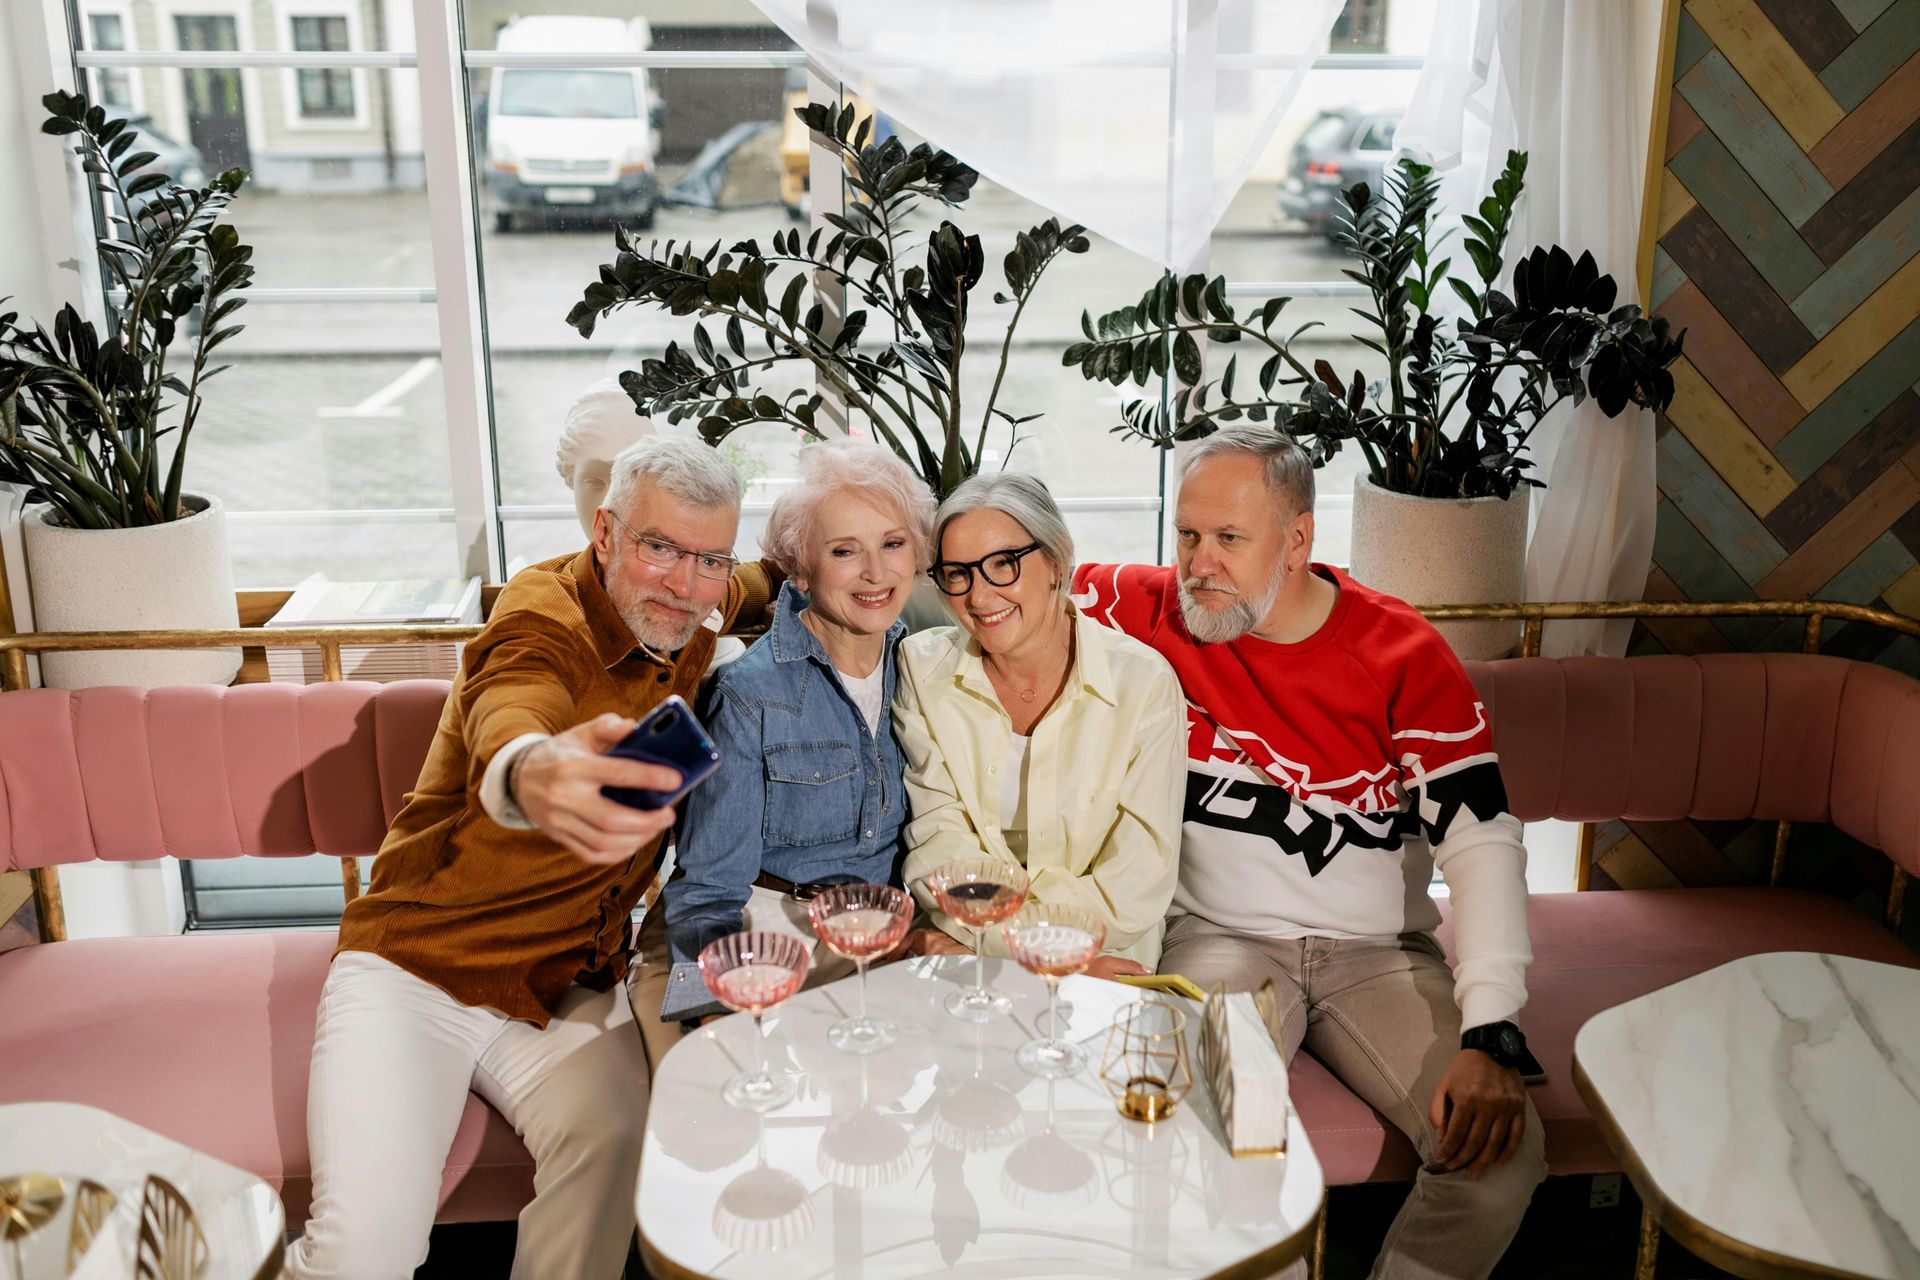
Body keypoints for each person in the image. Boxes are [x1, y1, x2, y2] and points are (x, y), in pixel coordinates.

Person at [285, 437, 778, 1280]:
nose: (685, 584)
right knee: (363, 1250)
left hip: (562, 989)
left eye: (708, 561)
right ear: (605, 534)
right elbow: (512, 715)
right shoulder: (538, 618)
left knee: (618, 1144)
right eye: (660, 549)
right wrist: (536, 774)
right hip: (418, 972)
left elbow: (775, 575)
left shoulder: (696, 594)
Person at [1071, 424, 1546, 1280]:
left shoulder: (1404, 653)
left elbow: (1482, 844)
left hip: (1378, 952)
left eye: (1228, 539)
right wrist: (781, 579)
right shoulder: (1151, 606)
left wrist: (1494, 1030)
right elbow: (994, 575)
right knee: (1205, 1132)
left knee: (1501, 1160)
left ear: (1297, 540)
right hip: (1219, 940)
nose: (1198, 563)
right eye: (1186, 534)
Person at [632, 439, 938, 1057]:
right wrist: (711, 1017)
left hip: (882, 944)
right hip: (762, 937)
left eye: (893, 544)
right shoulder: (750, 695)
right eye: (844, 551)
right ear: (800, 567)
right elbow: (708, 891)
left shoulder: (929, 671)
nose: (876, 573)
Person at [895, 472, 1185, 975]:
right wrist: (1028, 953)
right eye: (958, 573)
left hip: (1102, 958)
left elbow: (1135, 885)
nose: (979, 597)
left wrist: (1010, 950)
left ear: (1057, 559)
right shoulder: (921, 670)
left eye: (1003, 564)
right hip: (968, 959)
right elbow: (937, 852)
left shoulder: (1144, 684)